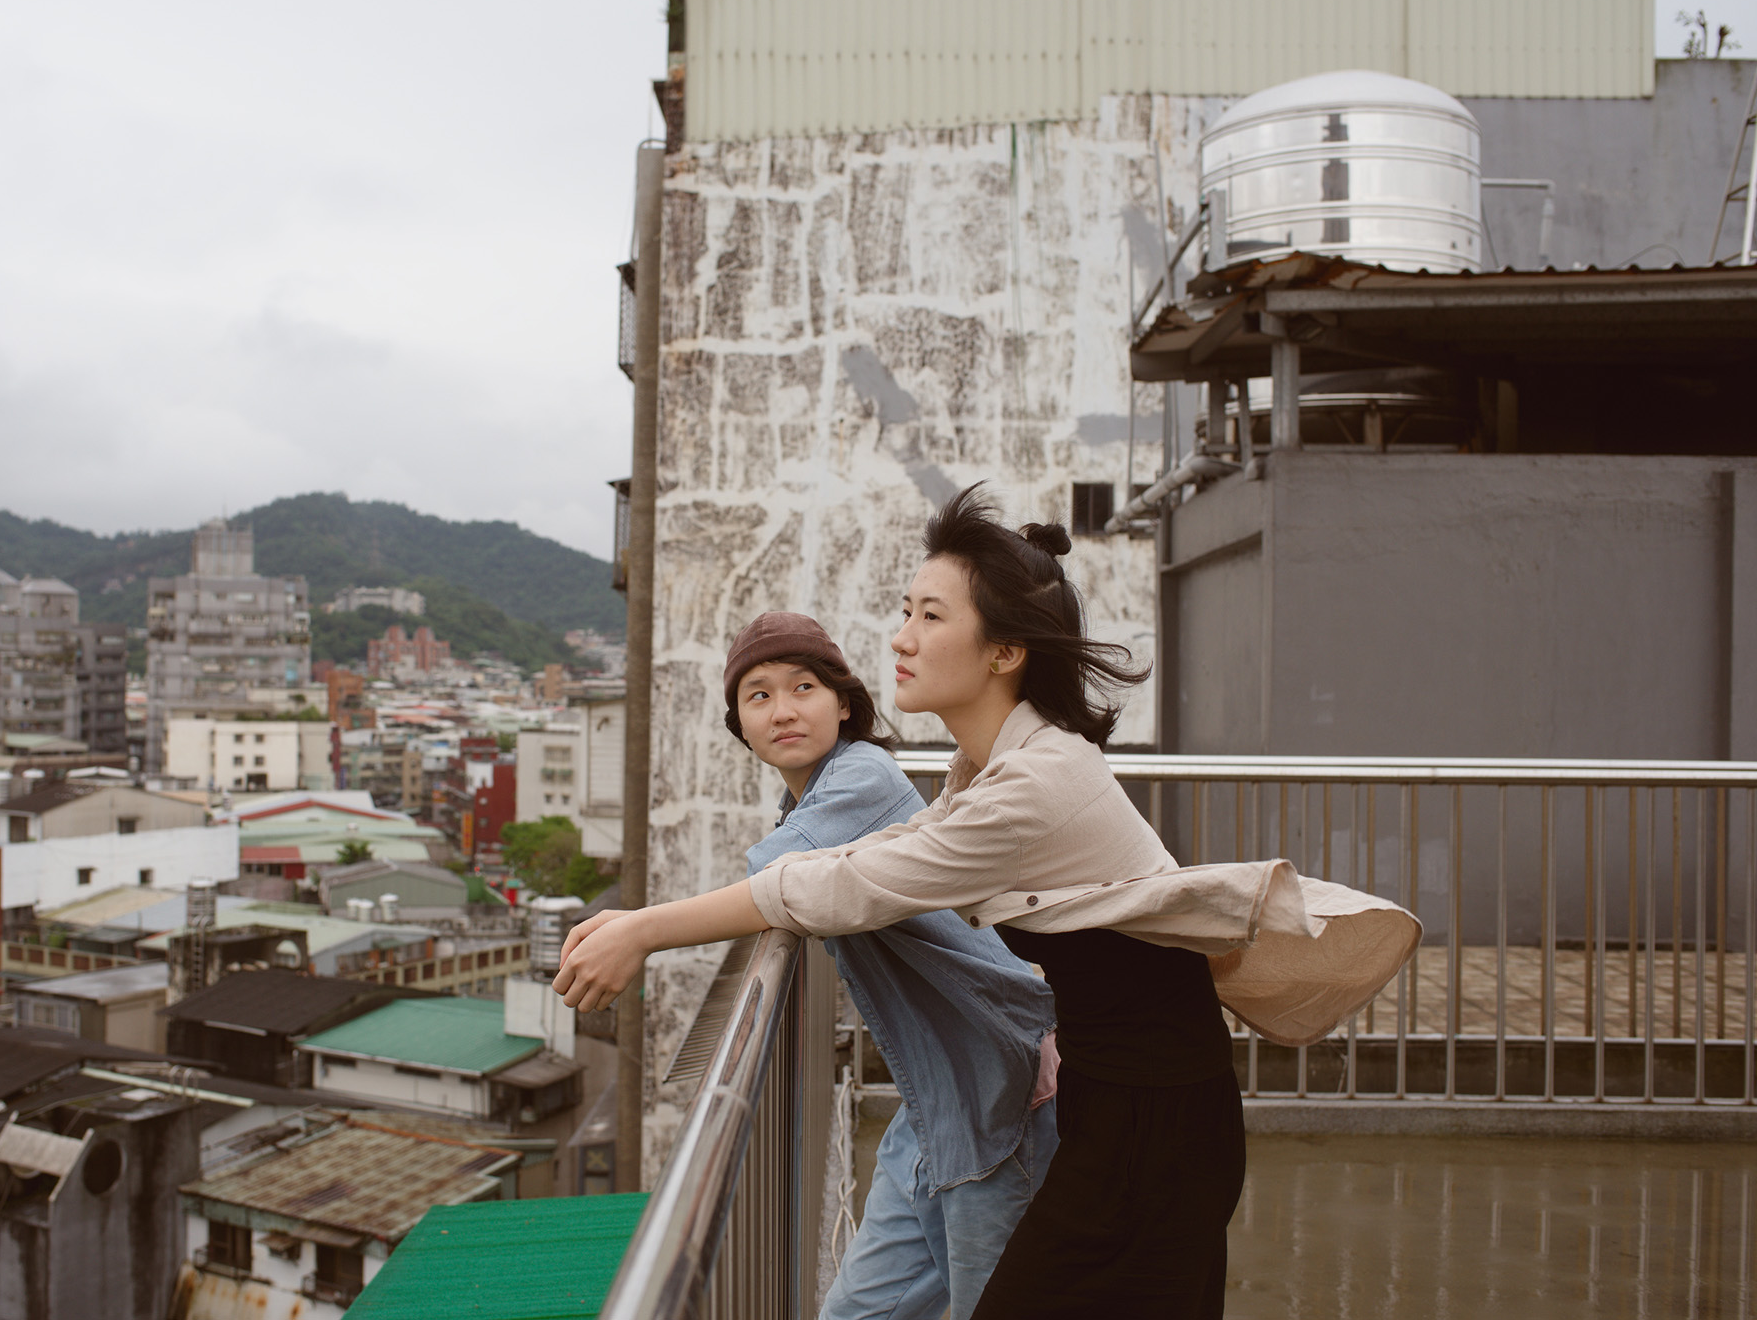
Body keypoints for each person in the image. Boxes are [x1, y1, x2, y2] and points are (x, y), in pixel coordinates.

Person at [556, 486, 1419, 1317]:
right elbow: (881, 856)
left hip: (1155, 1124)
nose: (901, 637)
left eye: (931, 617)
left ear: (1005, 651)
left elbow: (842, 884)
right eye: (905, 610)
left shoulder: (1033, 782)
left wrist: (643, 928)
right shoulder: (1000, 765)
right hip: (1119, 1099)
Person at [717, 611, 1059, 1320]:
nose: (782, 709)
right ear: (740, 725)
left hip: (993, 1088)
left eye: (802, 686)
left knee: (991, 1302)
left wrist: (633, 932)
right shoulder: (808, 798)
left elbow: (773, 882)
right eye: (758, 695)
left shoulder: (863, 776)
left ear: (843, 703)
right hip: (935, 1098)